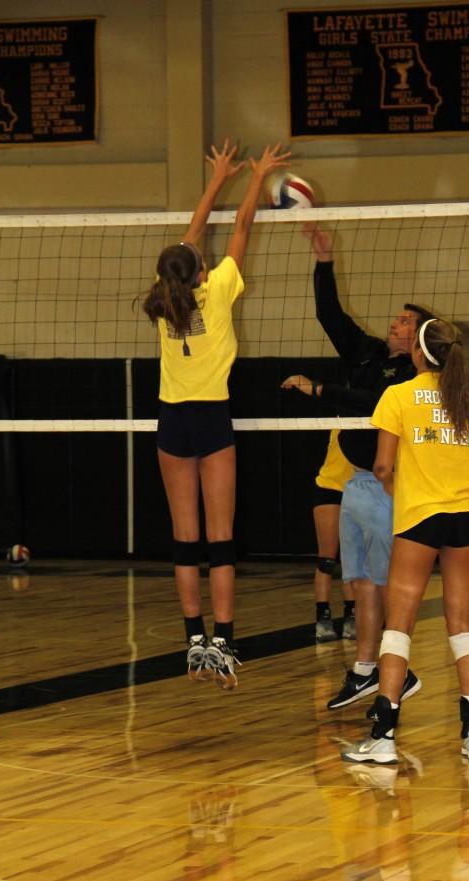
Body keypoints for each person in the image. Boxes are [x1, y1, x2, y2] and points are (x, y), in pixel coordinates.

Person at [139, 139, 290, 688]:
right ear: (202, 271)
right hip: (212, 418)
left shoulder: (163, 301)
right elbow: (242, 226)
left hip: (171, 421)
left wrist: (216, 180)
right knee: (220, 536)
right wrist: (252, 178)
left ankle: (194, 642)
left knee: (185, 538)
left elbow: (190, 235)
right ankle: (223, 642)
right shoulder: (220, 288)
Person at [281, 224, 433, 710]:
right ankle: (367, 670)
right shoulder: (367, 353)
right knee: (360, 582)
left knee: (384, 583)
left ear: (420, 337)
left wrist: (321, 389)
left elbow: (374, 403)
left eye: (406, 321)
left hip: (392, 484)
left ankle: (397, 671)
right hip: (356, 481)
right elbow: (330, 315)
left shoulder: (413, 375)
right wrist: (323, 261)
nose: (395, 322)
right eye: (396, 318)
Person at [341, 317, 469, 764]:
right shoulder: (468, 403)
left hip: (421, 518)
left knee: (398, 626)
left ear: (418, 354)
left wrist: (397, 492)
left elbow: (383, 468)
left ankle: (383, 739)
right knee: (462, 625)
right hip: (466, 518)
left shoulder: (398, 396)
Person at [312, 429, 357, 642]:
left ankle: (352, 616)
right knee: (326, 560)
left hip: (358, 488)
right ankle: (322, 619)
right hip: (329, 488)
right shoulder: (339, 411)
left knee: (351, 559)